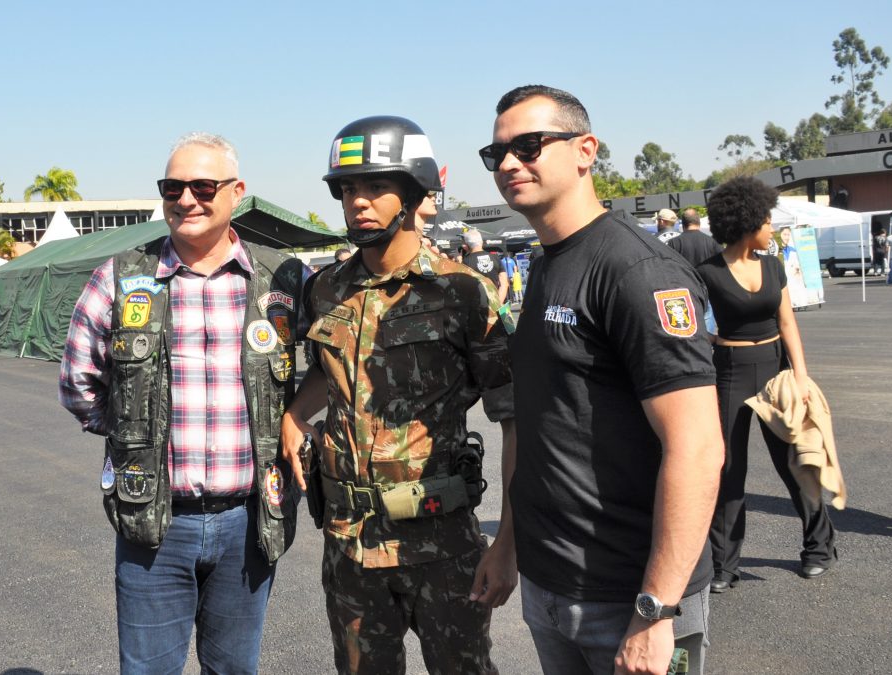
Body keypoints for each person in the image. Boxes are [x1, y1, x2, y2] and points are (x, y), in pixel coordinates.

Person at [482, 84, 723, 675]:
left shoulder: (638, 270)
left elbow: (697, 448)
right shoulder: (546, 265)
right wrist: (508, 544)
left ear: (585, 150)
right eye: (496, 153)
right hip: (551, 584)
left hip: (630, 598)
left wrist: (656, 609)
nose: (509, 163)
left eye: (529, 146)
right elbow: (537, 426)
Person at [59, 132, 307, 674]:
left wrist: (297, 419)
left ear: (236, 192)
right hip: (156, 523)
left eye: (203, 187)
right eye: (173, 188)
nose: (186, 199)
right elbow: (78, 382)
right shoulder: (121, 277)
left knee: (235, 669)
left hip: (249, 521)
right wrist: (134, 435)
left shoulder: (283, 279)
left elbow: (328, 363)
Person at [281, 115, 516, 675]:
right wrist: (294, 415)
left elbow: (516, 417)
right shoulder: (327, 289)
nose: (358, 201)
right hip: (350, 546)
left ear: (413, 194)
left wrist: (508, 542)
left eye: (376, 186)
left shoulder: (463, 292)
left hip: (441, 544)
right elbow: (329, 371)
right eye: (347, 189)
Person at [696, 176, 838, 595]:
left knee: (796, 462)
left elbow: (787, 323)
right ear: (747, 224)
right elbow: (685, 322)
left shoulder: (773, 266)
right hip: (730, 371)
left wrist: (801, 375)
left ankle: (819, 548)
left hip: (777, 372)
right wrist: (710, 339)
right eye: (767, 221)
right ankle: (724, 565)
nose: (772, 228)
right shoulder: (707, 272)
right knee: (729, 471)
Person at [461, 229, 509, 305]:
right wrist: (497, 304)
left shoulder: (466, 262)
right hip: (497, 304)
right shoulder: (495, 257)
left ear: (466, 246)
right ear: (482, 242)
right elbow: (504, 283)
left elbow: (464, 288)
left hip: (478, 307)